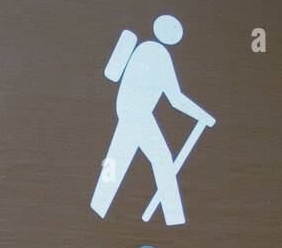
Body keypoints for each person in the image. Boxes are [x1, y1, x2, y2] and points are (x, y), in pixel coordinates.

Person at [90, 14, 215, 226]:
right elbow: (174, 98)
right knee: (162, 160)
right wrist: (202, 115)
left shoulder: (143, 48)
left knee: (118, 159)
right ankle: (174, 219)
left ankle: (98, 208)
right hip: (138, 115)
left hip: (128, 112)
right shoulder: (159, 54)